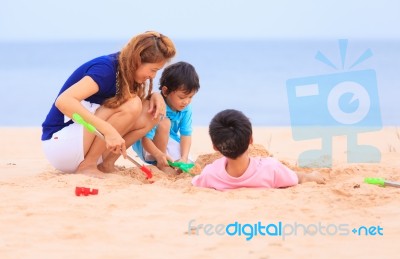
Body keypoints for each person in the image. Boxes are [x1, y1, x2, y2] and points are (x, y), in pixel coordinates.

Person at [41, 31, 176, 178]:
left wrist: (156, 96)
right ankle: (88, 165)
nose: (153, 76)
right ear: (137, 60)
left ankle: (105, 164)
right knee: (132, 104)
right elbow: (64, 101)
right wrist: (107, 129)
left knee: (151, 112)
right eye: (153, 70)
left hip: (83, 145)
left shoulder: (126, 69)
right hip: (61, 144)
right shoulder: (105, 69)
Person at [191, 109, 326, 191]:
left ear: (215, 147)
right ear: (251, 140)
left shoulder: (210, 173)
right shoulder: (271, 167)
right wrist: (312, 176)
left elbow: (196, 181)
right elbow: (297, 178)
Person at [132, 61, 200, 173]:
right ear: (165, 91)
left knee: (187, 163)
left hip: (169, 140)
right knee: (165, 122)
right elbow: (145, 139)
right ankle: (161, 165)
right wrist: (159, 155)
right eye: (182, 97)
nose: (186, 101)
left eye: (190, 97)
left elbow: (186, 135)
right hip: (148, 147)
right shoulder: (157, 106)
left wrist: (184, 157)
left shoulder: (186, 108)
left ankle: (169, 161)